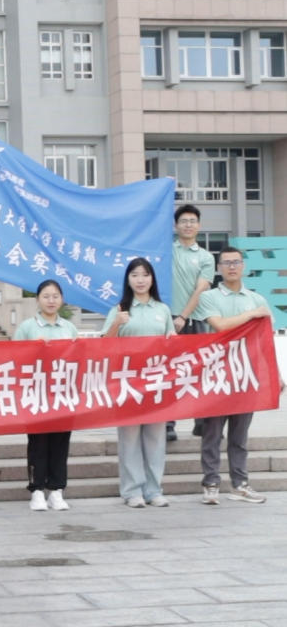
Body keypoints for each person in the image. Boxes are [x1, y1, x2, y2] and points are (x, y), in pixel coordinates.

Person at [194, 247, 279, 506]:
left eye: (236, 262)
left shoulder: (257, 299)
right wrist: (251, 314)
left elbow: (266, 341)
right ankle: (211, 483)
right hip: (216, 374)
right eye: (226, 263)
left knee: (239, 436)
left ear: (243, 266)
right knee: (212, 433)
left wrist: (276, 374)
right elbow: (220, 325)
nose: (232, 266)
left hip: (245, 375)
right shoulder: (209, 297)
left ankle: (240, 484)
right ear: (219, 268)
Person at [103, 258, 173, 509]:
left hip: (156, 382)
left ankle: (153, 490)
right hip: (128, 382)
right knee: (129, 438)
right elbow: (103, 344)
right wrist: (115, 324)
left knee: (156, 438)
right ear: (128, 280)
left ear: (152, 279)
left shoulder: (162, 310)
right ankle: (132, 491)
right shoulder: (119, 309)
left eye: (145, 274)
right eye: (135, 275)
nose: (140, 280)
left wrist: (173, 339)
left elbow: (172, 344)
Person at [14, 280, 79, 512]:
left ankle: (57, 490)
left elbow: (78, 360)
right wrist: (33, 347)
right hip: (36, 395)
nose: (51, 301)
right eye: (46, 296)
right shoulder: (27, 327)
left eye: (55, 296)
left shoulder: (69, 328)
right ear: (37, 299)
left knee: (60, 444)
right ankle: (37, 490)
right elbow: (13, 358)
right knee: (38, 444)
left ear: (62, 299)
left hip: (63, 395)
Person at [167, 205, 216, 442]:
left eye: (192, 221)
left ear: (199, 225)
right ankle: (167, 423)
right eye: (183, 221)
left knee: (198, 370)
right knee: (168, 372)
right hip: (167, 318)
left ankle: (201, 422)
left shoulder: (206, 257)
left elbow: (201, 289)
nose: (188, 225)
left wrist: (183, 315)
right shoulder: (166, 250)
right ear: (175, 226)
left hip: (195, 319)